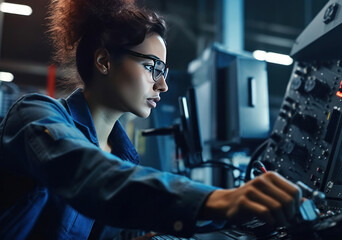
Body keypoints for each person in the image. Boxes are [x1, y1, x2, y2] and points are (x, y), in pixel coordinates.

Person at [0, 0, 302, 239]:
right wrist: (220, 200)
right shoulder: (34, 115)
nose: (163, 85)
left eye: (164, 71)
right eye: (151, 67)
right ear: (104, 61)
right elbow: (89, 175)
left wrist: (246, 214)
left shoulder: (123, 155)